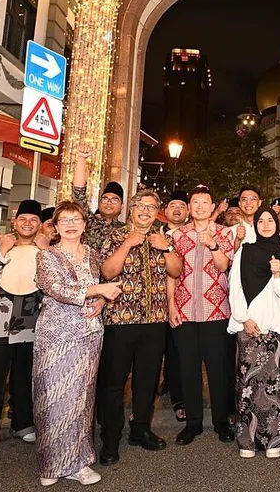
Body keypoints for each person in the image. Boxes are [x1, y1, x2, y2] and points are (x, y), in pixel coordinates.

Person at [33, 200, 123, 487]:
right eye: (65, 220)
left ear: (85, 225)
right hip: (56, 336)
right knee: (52, 399)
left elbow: (93, 289)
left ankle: (80, 462)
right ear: (56, 227)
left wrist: (98, 300)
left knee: (82, 400)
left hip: (89, 334)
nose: (71, 225)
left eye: (76, 219)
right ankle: (51, 464)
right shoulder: (46, 256)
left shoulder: (93, 254)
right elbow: (55, 288)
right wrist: (98, 290)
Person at [96, 190, 181, 464]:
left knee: (147, 381)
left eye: (151, 207)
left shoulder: (162, 237)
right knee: (114, 382)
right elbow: (108, 272)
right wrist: (128, 244)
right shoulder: (115, 236)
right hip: (120, 321)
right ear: (130, 210)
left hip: (154, 321)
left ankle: (141, 430)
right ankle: (110, 439)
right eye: (140, 206)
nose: (145, 211)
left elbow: (176, 271)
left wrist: (165, 247)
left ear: (157, 211)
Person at [0, 200, 52, 463]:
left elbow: (55, 282)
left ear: (40, 225)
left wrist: (47, 252)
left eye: (33, 219)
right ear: (14, 222)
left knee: (25, 376)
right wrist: (1, 254)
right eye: (23, 218)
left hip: (33, 322)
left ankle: (23, 422)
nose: (28, 223)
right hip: (0, 324)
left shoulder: (46, 249)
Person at [168, 185, 237, 446]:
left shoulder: (223, 233)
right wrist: (171, 306)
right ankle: (193, 423)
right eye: (194, 202)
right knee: (188, 369)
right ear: (189, 206)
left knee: (218, 370)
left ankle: (221, 422)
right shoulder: (178, 235)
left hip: (217, 312)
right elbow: (171, 273)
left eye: (204, 202)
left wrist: (214, 245)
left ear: (212, 206)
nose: (199, 206)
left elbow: (223, 266)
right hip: (184, 312)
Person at [228, 207, 280, 458]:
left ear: (277, 224)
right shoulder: (243, 253)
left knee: (272, 388)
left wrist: (277, 272)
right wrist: (243, 318)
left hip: (271, 330)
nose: (266, 224)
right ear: (255, 224)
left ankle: (273, 441)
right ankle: (247, 442)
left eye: (270, 220)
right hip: (248, 327)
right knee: (246, 386)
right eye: (261, 221)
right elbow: (234, 286)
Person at [161, 189, 189, 419]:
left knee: (179, 351)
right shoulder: (154, 233)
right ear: (166, 210)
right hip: (152, 304)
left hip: (183, 303)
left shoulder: (192, 235)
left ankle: (180, 399)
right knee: (153, 353)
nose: (177, 209)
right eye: (173, 205)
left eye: (182, 205)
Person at [72, 146, 124, 253]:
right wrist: (81, 158)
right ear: (99, 204)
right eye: (105, 199)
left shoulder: (126, 230)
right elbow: (78, 193)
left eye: (114, 200)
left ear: (122, 206)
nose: (109, 202)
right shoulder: (89, 222)